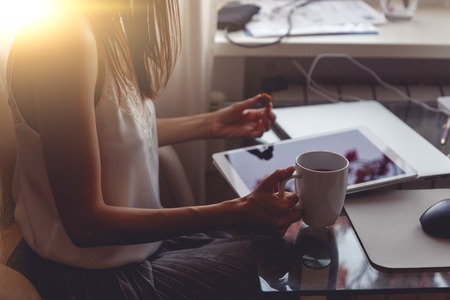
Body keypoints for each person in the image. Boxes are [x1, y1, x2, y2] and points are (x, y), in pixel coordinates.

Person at [5, 0, 302, 299]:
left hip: (134, 252)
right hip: (90, 278)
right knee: (290, 256)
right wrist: (232, 213)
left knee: (284, 243)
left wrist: (211, 124)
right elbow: (85, 225)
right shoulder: (62, 40)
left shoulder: (104, 23)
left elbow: (109, 134)